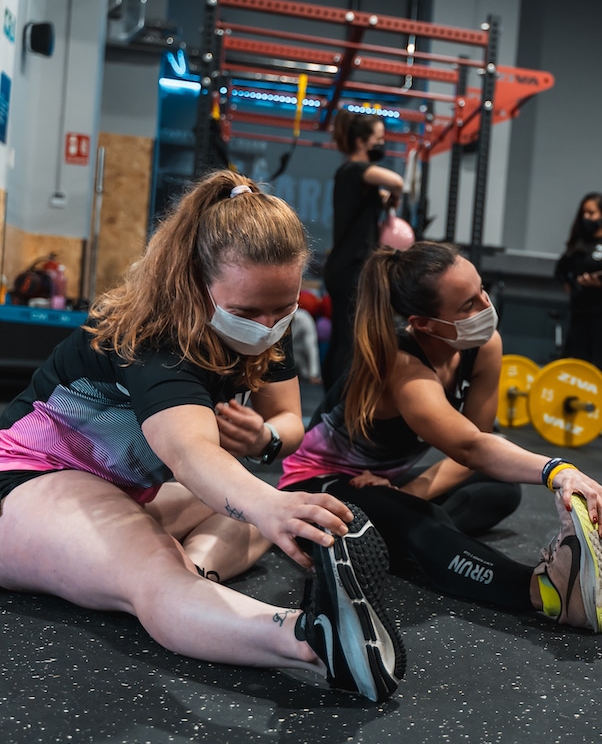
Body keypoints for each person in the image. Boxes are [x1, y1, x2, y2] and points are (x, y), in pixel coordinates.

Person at [0, 171, 403, 702]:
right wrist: (268, 505)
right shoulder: (150, 336)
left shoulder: (261, 328)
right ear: (196, 280)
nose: (267, 325)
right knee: (192, 550)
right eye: (247, 312)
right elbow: (190, 454)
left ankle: (192, 577)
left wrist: (263, 441)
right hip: (30, 483)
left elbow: (287, 424)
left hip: (126, 491)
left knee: (253, 513)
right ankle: (313, 640)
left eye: (283, 309)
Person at [279, 241, 602, 633]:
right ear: (424, 324)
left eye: (482, 290)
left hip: (380, 480)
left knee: (501, 488)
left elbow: (477, 443)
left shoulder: (482, 345)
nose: (486, 307)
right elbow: (470, 447)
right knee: (424, 521)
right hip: (315, 487)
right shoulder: (403, 364)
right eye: (467, 306)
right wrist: (558, 470)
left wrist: (401, 493)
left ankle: (395, 540)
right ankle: (547, 591)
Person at [322, 110, 406, 388]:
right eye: (379, 139)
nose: (382, 144)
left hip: (348, 268)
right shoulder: (353, 170)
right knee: (348, 340)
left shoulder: (358, 180)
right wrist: (393, 194)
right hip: (349, 269)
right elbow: (397, 182)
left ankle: (336, 400)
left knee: (346, 338)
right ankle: (337, 402)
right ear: (362, 142)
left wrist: (383, 201)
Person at [553, 192, 602, 438]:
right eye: (584, 213)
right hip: (579, 312)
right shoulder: (578, 244)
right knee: (572, 360)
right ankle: (566, 412)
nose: (588, 217)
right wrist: (574, 285)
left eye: (592, 213)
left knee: (601, 364)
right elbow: (561, 271)